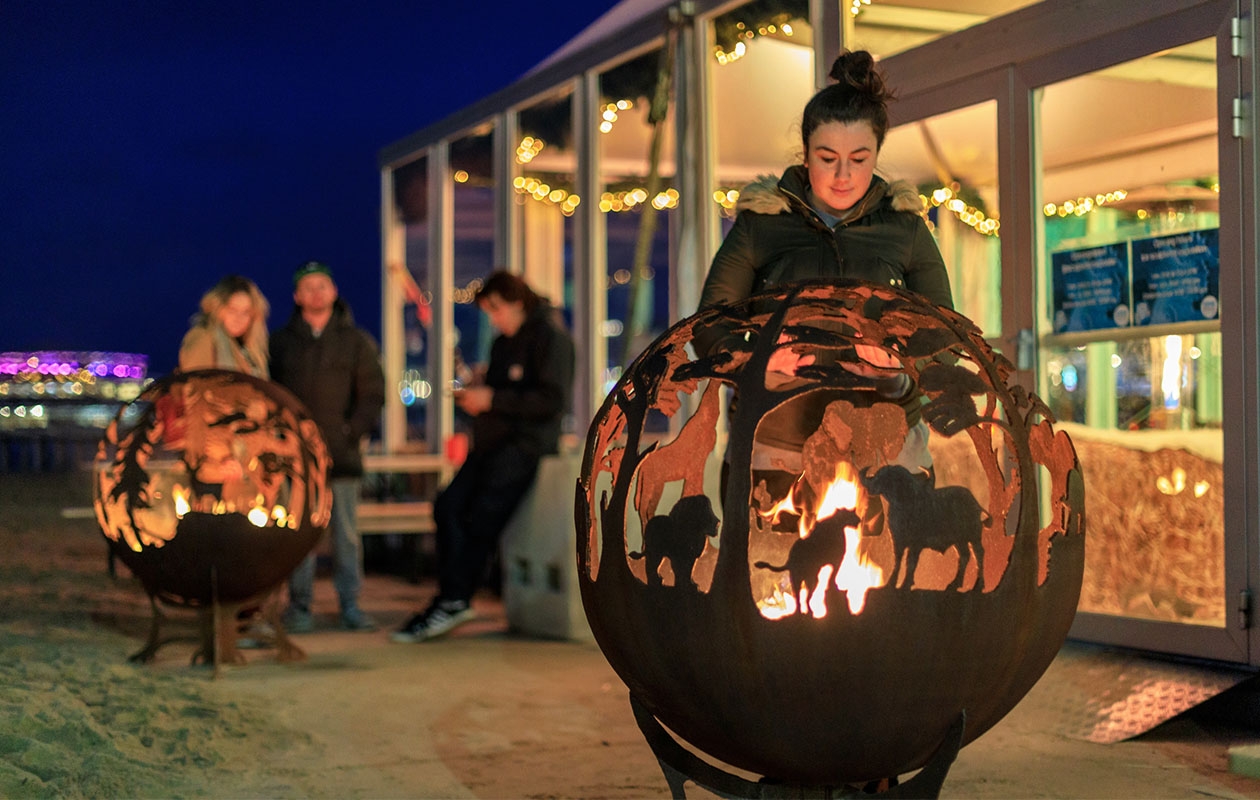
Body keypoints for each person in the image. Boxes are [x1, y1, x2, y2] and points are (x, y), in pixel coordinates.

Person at [695, 49, 954, 477]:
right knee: (769, 546)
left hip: (884, 442)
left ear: (877, 153)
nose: (843, 176)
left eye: (859, 159)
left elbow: (943, 334)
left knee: (890, 545)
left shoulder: (905, 227)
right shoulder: (763, 224)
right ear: (805, 153)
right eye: (827, 158)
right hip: (774, 440)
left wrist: (900, 371)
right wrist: (754, 361)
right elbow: (709, 323)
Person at [392, 271, 575, 643]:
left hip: (524, 447)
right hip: (491, 445)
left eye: (496, 309)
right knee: (447, 506)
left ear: (517, 302)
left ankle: (455, 598)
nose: (494, 318)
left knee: (480, 519)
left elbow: (553, 401)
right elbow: (503, 390)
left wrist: (493, 399)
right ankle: (451, 596)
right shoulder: (503, 344)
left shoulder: (551, 340)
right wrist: (479, 396)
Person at [270, 261, 386, 632]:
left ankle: (350, 604)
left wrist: (352, 431)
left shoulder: (356, 342)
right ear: (297, 296)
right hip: (296, 458)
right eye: (309, 286)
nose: (317, 292)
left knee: (347, 536)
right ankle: (299, 606)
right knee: (299, 534)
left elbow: (373, 394)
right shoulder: (281, 343)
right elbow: (271, 395)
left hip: (343, 457)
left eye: (323, 285)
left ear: (334, 292)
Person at [178, 275, 270, 378]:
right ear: (217, 308)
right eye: (232, 310)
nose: (238, 318)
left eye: (245, 313)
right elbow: (196, 384)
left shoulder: (249, 352)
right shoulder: (204, 337)